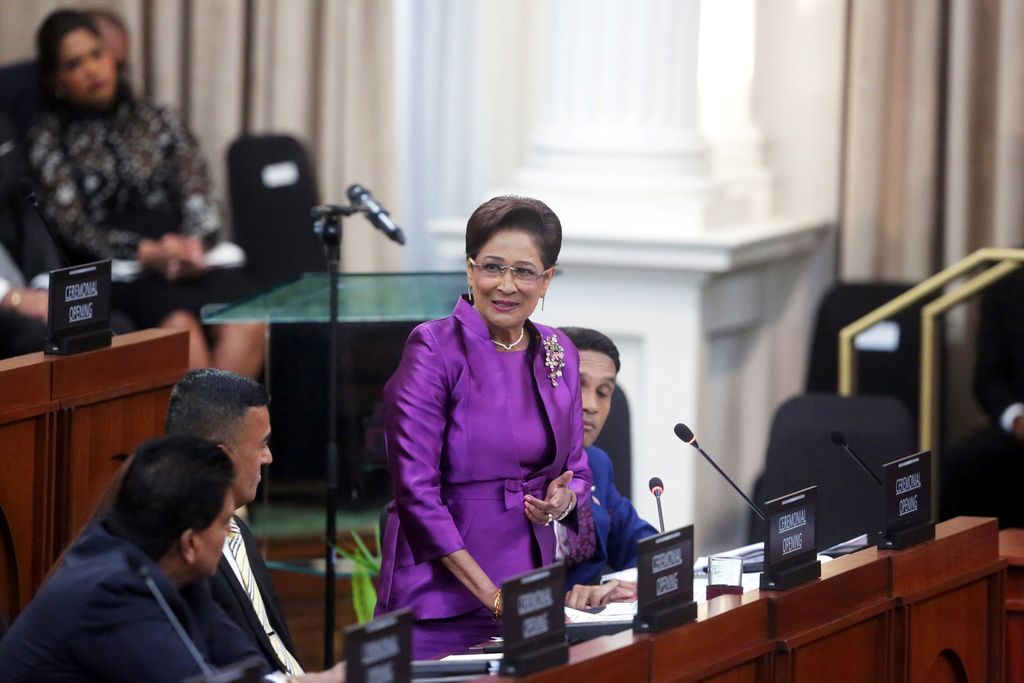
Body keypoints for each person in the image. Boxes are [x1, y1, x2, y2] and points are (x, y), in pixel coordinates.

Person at [376, 195, 594, 659]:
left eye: (524, 271)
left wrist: (563, 501)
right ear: (470, 269)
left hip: (529, 589)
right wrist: (495, 599)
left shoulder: (558, 350)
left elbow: (577, 470)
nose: (506, 286)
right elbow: (415, 493)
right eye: (493, 267)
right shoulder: (433, 349)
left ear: (546, 280)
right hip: (439, 598)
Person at [27, 9, 264, 376]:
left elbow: (201, 198)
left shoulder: (160, 118)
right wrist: (146, 252)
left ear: (113, 56)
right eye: (74, 64)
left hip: (183, 259)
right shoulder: (48, 137)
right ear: (55, 79)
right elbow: (72, 228)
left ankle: (226, 417)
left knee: (249, 321)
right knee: (181, 333)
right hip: (122, 269)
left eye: (96, 54)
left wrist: (191, 245)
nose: (92, 70)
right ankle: (210, 418)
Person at [0, 435, 272, 681]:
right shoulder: (110, 594)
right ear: (190, 543)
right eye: (224, 523)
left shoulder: (177, 567)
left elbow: (247, 665)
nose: (228, 534)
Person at [165, 368, 304, 675]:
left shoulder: (237, 529)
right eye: (262, 445)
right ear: (221, 460)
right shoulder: (182, 553)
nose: (268, 458)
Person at [559, 327, 658, 610]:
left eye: (603, 392)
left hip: (590, 626)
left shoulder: (596, 464)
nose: (591, 405)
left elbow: (646, 547)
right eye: (578, 386)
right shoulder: (505, 470)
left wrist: (624, 585)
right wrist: (560, 602)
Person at [941, 267, 1024, 527]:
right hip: (1018, 429)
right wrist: (1017, 420)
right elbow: (989, 380)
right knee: (966, 464)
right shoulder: (1007, 273)